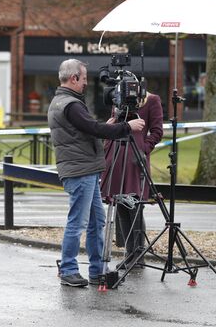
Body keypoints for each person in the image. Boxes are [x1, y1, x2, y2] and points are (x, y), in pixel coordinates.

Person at [48, 59, 145, 288]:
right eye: (83, 78)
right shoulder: (70, 104)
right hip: (80, 170)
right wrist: (125, 128)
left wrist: (109, 125)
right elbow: (93, 129)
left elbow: (85, 131)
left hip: (85, 169)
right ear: (73, 78)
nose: (85, 83)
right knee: (78, 222)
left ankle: (97, 270)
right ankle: (69, 269)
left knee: (96, 221)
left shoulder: (63, 102)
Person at [100, 92, 164, 269]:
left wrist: (144, 148)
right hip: (115, 156)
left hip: (136, 160)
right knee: (120, 204)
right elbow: (114, 123)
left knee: (135, 206)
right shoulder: (117, 98)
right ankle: (129, 253)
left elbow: (157, 131)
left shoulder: (152, 100)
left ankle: (138, 254)